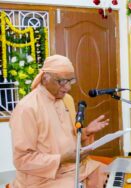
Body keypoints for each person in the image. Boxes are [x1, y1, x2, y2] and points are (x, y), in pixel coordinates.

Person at [10, 55, 109, 188]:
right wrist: (62, 158)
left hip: (75, 167)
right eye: (62, 81)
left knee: (110, 174)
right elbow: (22, 160)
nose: (68, 87)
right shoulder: (27, 108)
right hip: (44, 178)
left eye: (71, 81)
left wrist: (86, 131)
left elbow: (68, 136)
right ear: (45, 79)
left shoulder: (67, 99)